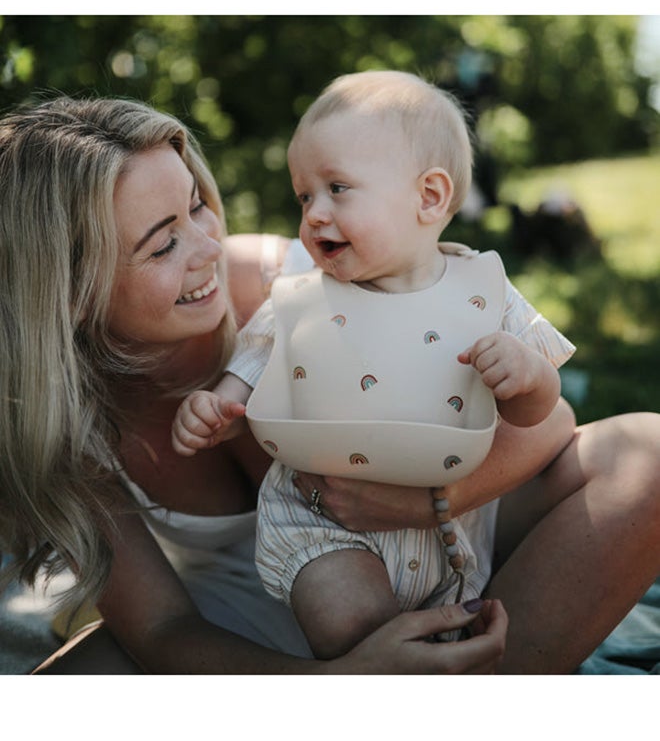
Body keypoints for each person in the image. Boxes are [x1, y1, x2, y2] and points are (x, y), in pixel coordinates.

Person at [2, 93, 659, 675]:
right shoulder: (62, 415)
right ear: (72, 295)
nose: (206, 246)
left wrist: (425, 503)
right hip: (251, 614)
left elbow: (548, 423)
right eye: (162, 244)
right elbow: (162, 629)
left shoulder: (294, 281)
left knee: (647, 456)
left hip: (453, 537)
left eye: (197, 204)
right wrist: (338, 684)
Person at [171, 70, 576, 658]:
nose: (313, 214)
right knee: (350, 622)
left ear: (429, 197)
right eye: (304, 195)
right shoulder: (300, 294)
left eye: (337, 188)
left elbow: (541, 407)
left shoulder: (481, 292)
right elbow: (248, 377)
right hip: (323, 526)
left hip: (444, 531)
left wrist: (528, 375)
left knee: (444, 634)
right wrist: (216, 408)